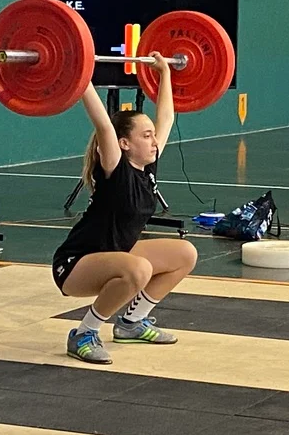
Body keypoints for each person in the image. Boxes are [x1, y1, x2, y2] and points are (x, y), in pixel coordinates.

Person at [53, 52, 198, 364]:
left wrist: (165, 72)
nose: (154, 141)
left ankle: (132, 323)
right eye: (146, 136)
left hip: (118, 255)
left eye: (152, 135)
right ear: (124, 144)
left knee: (185, 253)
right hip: (76, 265)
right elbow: (103, 125)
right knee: (139, 269)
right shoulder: (115, 169)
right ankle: (84, 334)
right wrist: (80, 73)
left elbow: (167, 118)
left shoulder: (147, 166)